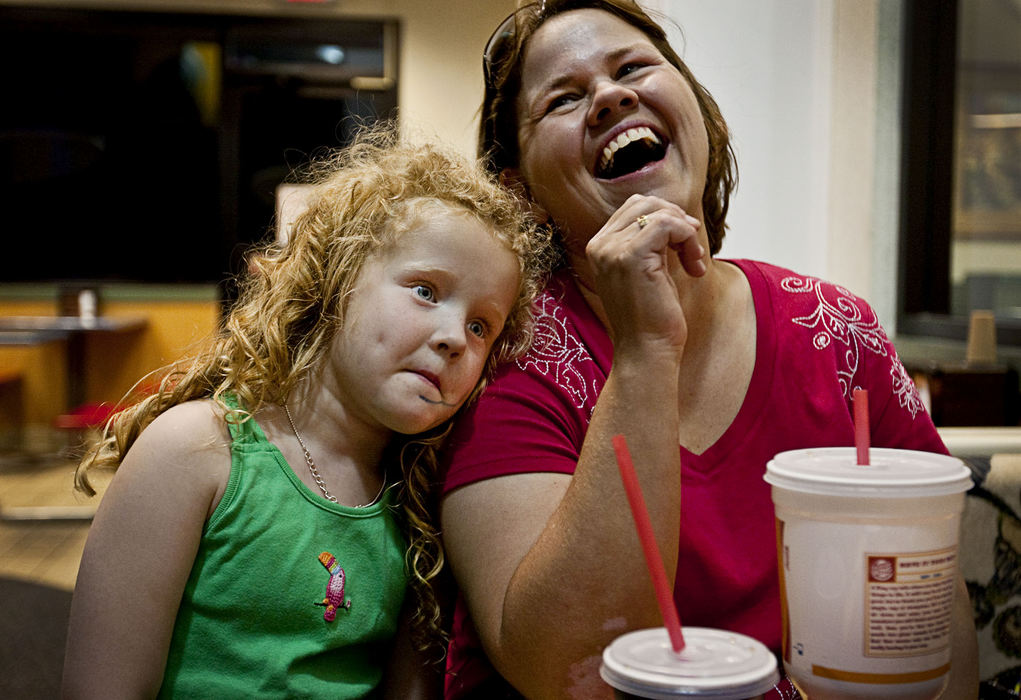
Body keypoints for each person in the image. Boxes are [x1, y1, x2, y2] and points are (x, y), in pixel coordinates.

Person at [437, 2, 980, 698]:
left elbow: (934, 611)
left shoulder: (837, 329)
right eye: (565, 99)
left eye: (632, 68)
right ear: (521, 193)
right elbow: (563, 671)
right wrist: (643, 353)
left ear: (695, 110)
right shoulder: (503, 355)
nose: (610, 96)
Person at [61, 126, 550, 699]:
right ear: (337, 279)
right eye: (425, 290)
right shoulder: (195, 451)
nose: (453, 338)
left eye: (480, 326)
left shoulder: (418, 508)